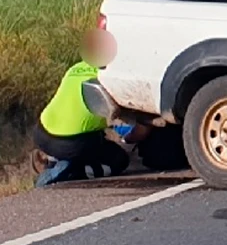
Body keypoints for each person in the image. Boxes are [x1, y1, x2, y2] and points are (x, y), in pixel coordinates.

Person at [32, 29, 149, 186]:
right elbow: (140, 131)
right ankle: (71, 171)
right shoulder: (111, 81)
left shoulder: (76, 68)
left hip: (42, 131)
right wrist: (129, 140)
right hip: (69, 143)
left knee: (97, 136)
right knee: (118, 160)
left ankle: (53, 160)